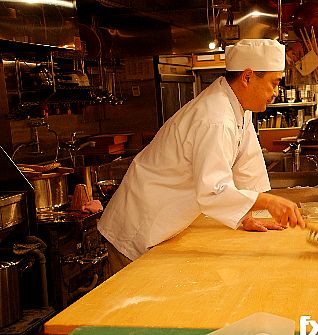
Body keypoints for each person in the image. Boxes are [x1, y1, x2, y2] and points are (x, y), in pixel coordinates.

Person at [98, 39, 305, 274]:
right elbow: (213, 190)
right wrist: (267, 202)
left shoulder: (238, 107)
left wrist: (247, 215)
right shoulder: (215, 117)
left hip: (163, 226)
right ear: (247, 77)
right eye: (274, 83)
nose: (276, 93)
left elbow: (247, 166)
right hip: (137, 230)